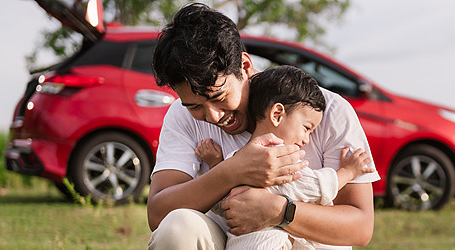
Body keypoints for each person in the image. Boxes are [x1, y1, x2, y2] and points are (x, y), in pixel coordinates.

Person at [147, 3, 380, 250]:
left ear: (245, 67)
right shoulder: (182, 116)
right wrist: (232, 171)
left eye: (219, 97)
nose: (213, 116)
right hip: (235, 243)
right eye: (195, 106)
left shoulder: (323, 111)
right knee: (177, 228)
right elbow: (158, 214)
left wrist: (279, 210)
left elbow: (361, 228)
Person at [196, 65, 375, 249]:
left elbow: (222, 206)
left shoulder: (235, 159)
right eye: (306, 128)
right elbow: (315, 187)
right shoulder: (280, 161)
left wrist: (216, 164)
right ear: (277, 114)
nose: (306, 139)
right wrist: (348, 171)